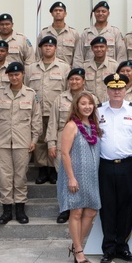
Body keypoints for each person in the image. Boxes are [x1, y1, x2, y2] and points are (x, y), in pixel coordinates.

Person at [96, 73, 132, 263]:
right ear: (107, 90)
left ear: (126, 89)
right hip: (105, 166)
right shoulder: (98, 111)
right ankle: (108, 248)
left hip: (127, 165)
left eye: (120, 88)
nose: (117, 91)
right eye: (113, 88)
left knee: (126, 206)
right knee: (107, 207)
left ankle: (122, 246)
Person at [0, 61, 42, 225]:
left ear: (23, 74)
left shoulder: (31, 94)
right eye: (11, 75)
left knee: (20, 176)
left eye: (17, 74)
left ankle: (20, 209)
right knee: (4, 177)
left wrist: (34, 140)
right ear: (7, 76)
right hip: (1, 142)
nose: (14, 77)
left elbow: (36, 119)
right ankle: (6, 211)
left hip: (23, 142)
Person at [58, 91, 102, 263]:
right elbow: (64, 153)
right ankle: (78, 249)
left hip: (91, 176)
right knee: (76, 212)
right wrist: (71, 177)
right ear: (77, 106)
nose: (87, 107)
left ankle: (76, 245)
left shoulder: (94, 126)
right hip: (75, 175)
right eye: (83, 103)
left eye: (90, 104)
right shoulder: (71, 126)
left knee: (91, 211)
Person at [27, 36, 70, 184]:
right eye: (45, 46)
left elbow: (67, 89)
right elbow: (27, 88)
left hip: (56, 110)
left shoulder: (64, 67)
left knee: (55, 140)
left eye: (51, 46)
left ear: (55, 48)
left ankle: (53, 169)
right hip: (37, 111)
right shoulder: (31, 68)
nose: (48, 48)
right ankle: (42, 169)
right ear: (40, 48)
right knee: (39, 140)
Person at [49, 67, 90, 224]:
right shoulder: (60, 99)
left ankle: (81, 207)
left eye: (77, 79)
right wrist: (51, 143)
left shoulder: (91, 98)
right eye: (71, 79)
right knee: (64, 176)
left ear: (83, 81)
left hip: (85, 142)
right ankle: (65, 209)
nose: (74, 82)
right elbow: (52, 122)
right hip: (63, 142)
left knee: (81, 176)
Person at [75, 1, 126, 68]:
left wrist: (118, 75)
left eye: (103, 11)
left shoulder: (115, 32)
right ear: (94, 14)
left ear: (108, 13)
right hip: (89, 73)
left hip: (110, 73)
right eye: (98, 11)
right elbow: (78, 56)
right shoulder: (86, 33)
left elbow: (121, 56)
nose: (100, 13)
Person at [39, 1, 79, 66]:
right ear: (51, 13)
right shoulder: (44, 33)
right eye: (55, 10)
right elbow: (38, 55)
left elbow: (77, 56)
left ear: (65, 13)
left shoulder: (73, 34)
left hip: (67, 72)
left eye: (60, 10)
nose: (58, 12)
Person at [84, 36, 119, 104]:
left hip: (108, 103)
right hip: (90, 104)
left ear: (106, 48)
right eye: (96, 47)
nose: (99, 49)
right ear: (92, 48)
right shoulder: (85, 66)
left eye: (102, 46)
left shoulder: (114, 66)